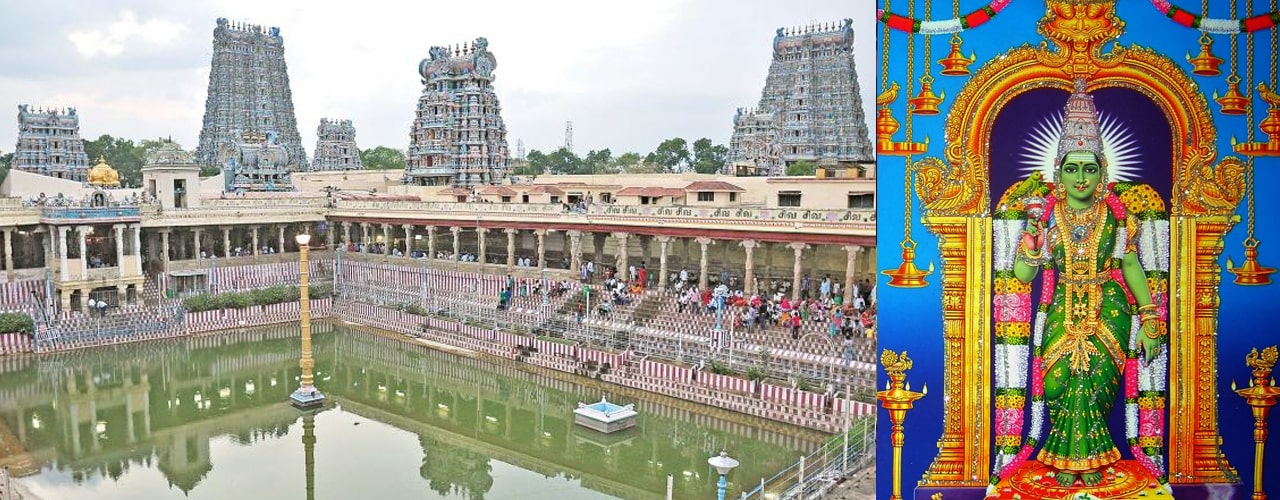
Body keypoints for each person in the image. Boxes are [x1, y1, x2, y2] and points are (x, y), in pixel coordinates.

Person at [1008, 79, 1162, 488]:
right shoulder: (1044, 216)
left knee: (1096, 380)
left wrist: (1149, 318)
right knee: (1059, 380)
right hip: (1061, 304)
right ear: (1059, 172)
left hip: (1108, 305)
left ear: (1102, 172)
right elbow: (1024, 276)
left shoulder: (1117, 216)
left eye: (1089, 168)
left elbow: (1131, 266)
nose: (1081, 177)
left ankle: (1089, 461)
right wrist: (1030, 244)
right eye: (1072, 168)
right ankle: (1062, 459)